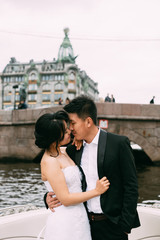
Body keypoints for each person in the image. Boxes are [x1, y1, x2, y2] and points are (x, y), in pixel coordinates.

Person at [45, 95, 140, 240]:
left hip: (112, 226)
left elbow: (131, 186)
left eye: (73, 123)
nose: (70, 129)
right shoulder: (72, 149)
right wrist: (47, 198)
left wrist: (124, 226)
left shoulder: (118, 144)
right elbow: (65, 181)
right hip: (83, 225)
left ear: (88, 121)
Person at [34, 110, 110, 240]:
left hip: (80, 217)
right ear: (54, 137)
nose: (70, 131)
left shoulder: (63, 151)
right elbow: (66, 199)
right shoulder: (49, 161)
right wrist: (96, 191)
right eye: (65, 131)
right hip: (65, 222)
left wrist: (78, 139)